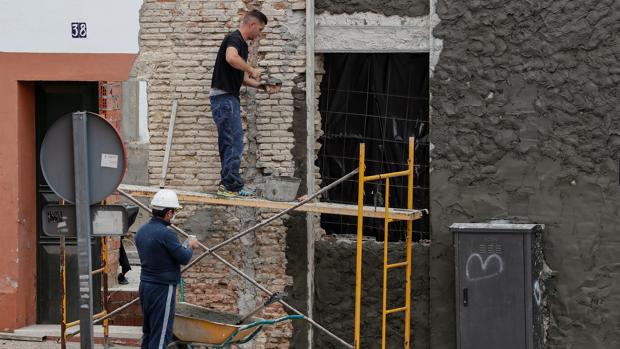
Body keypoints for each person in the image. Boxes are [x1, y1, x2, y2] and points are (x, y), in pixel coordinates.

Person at [210, 9, 279, 198]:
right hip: (224, 98)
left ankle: (229, 184)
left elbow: (241, 78)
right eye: (261, 29)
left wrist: (261, 86)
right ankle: (228, 186)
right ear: (252, 25)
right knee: (234, 142)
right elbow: (231, 58)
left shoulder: (243, 45)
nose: (260, 34)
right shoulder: (235, 39)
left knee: (229, 142)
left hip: (227, 98)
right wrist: (251, 68)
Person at [135, 189, 200, 349]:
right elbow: (184, 257)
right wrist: (189, 244)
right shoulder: (166, 234)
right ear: (169, 213)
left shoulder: (141, 231)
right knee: (161, 334)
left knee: (148, 332)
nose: (174, 215)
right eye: (174, 212)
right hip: (162, 288)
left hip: (145, 286)